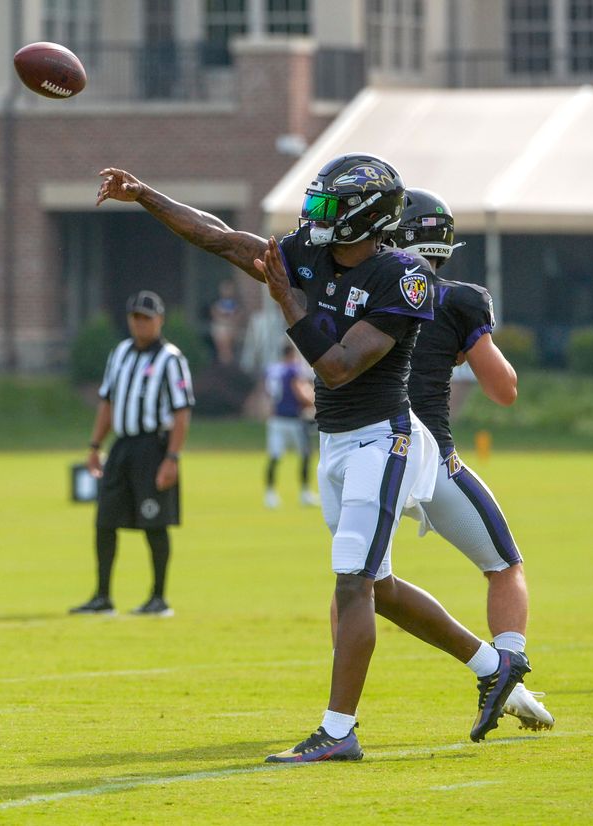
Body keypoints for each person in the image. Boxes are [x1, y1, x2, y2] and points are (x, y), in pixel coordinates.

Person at [96, 154, 530, 762]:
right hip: (334, 441)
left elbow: (339, 365)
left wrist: (287, 303)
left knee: (351, 581)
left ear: (365, 216)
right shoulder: (310, 253)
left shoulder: (403, 277)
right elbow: (219, 238)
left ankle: (337, 731)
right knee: (378, 587)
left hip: (384, 439)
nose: (315, 215)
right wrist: (145, 195)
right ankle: (492, 665)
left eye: (329, 206)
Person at [389, 187, 554, 730]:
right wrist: (464, 338)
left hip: (365, 449)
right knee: (505, 565)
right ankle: (506, 671)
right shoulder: (458, 298)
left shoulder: (359, 289)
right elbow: (504, 388)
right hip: (429, 456)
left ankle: (339, 717)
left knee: (360, 583)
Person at [69, 290, 194, 618]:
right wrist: (95, 446)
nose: (140, 325)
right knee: (105, 521)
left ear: (159, 321)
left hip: (153, 446)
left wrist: (173, 458)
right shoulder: (120, 353)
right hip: (122, 445)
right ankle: (102, 596)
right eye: (136, 318)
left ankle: (158, 597)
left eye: (146, 319)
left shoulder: (171, 359)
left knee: (155, 521)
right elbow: (107, 403)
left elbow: (181, 413)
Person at [263, 342, 319, 508]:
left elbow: (268, 393)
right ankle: (305, 492)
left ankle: (270, 494)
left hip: (276, 418)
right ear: (292, 354)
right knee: (306, 455)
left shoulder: (272, 369)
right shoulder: (293, 369)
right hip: (294, 418)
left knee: (274, 457)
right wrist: (313, 403)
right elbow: (299, 390)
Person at [209, 278, 241, 364]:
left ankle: (227, 359)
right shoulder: (216, 303)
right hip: (221, 327)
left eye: (229, 289)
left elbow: (238, 317)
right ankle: (224, 358)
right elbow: (215, 314)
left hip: (232, 328)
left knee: (225, 332)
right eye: (225, 289)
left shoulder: (237, 303)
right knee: (221, 331)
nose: (227, 291)